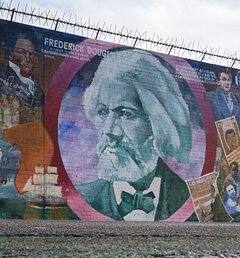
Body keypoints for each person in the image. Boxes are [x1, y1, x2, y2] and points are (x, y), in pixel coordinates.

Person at [76, 49, 194, 221]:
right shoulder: (81, 198)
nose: (108, 131)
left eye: (126, 114)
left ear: (159, 125)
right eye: (102, 112)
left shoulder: (189, 201)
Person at [1, 33, 44, 108]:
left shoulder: (38, 91)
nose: (28, 58)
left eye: (31, 54)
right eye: (21, 52)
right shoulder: (2, 81)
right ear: (10, 54)